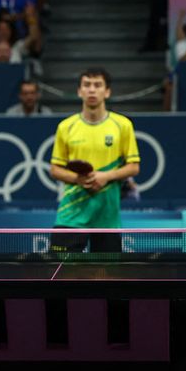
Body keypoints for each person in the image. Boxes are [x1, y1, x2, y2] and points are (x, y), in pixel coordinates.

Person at [49, 68, 140, 253]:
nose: (92, 90)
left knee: (107, 277)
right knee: (59, 275)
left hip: (107, 217)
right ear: (79, 91)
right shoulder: (66, 127)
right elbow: (55, 169)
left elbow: (133, 167)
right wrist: (78, 179)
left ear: (107, 91)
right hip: (71, 215)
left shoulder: (122, 125)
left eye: (97, 85)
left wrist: (105, 176)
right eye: (87, 85)